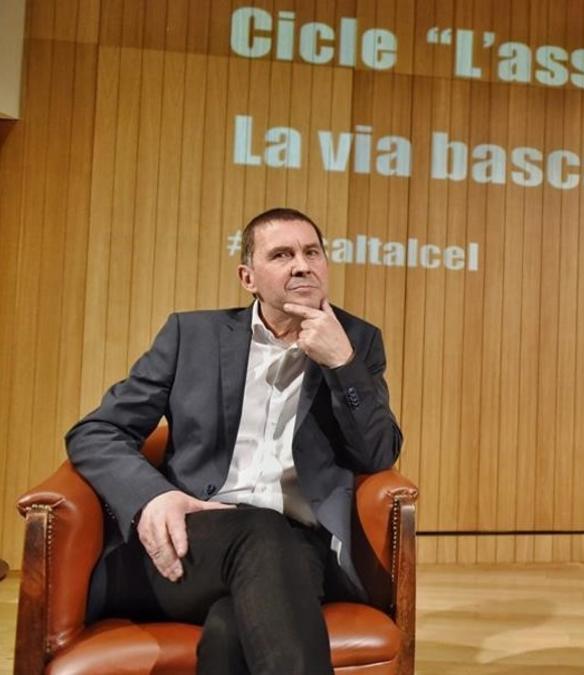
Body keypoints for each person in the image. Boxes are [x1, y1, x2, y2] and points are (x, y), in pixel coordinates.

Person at [67, 207, 403, 674]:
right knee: (259, 531)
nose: (302, 264)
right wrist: (153, 497)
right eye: (282, 254)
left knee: (230, 632)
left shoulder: (357, 341)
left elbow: (377, 452)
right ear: (248, 277)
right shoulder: (193, 335)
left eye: (312, 252)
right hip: (195, 540)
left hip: (297, 545)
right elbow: (96, 431)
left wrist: (341, 362)